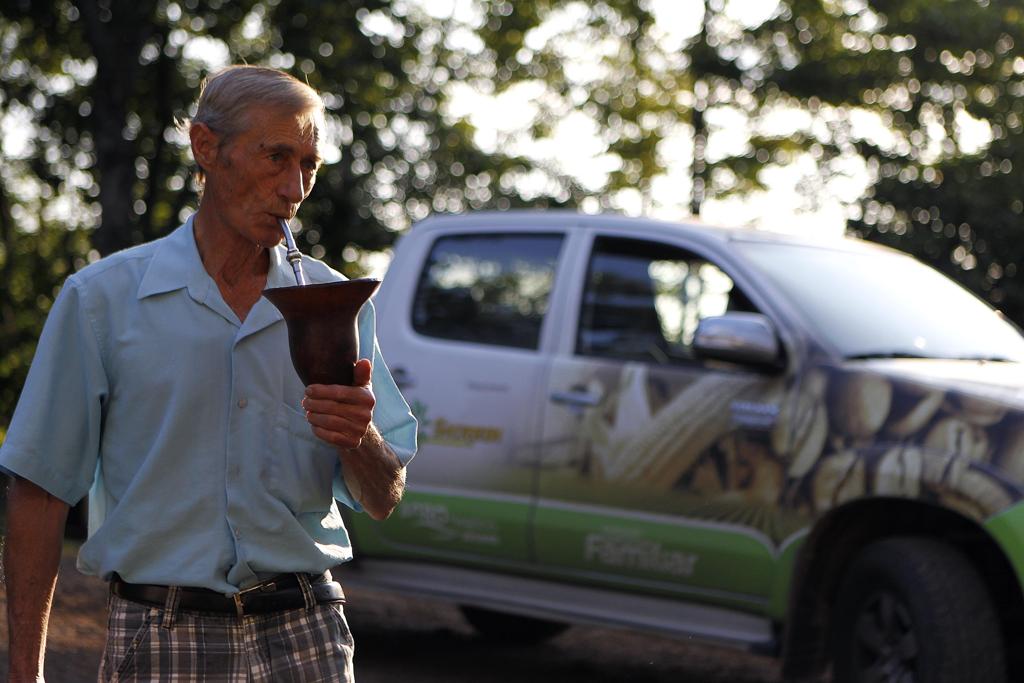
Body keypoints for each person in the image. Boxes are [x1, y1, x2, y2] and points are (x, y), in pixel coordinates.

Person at [1, 65, 417, 681]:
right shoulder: (102, 301)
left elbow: (383, 498)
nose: (295, 187)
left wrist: (362, 439)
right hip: (159, 633)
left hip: (308, 635)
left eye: (308, 164)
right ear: (206, 147)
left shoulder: (336, 303)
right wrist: (24, 671)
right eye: (276, 156)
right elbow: (39, 491)